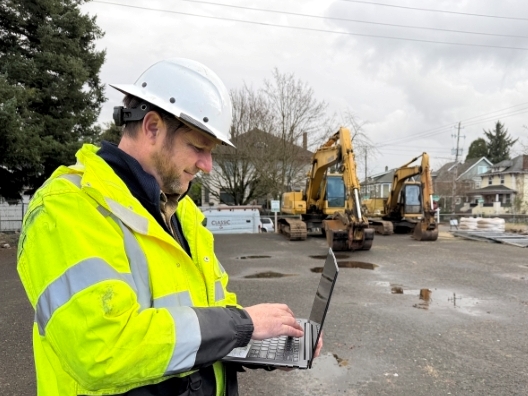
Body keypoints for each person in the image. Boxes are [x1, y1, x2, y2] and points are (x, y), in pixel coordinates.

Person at [17, 58, 322, 396]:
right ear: (151, 128)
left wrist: (262, 341)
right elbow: (102, 348)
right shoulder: (68, 207)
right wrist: (242, 325)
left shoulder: (181, 212)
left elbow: (202, 322)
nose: (207, 165)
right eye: (198, 147)